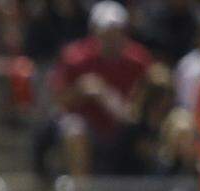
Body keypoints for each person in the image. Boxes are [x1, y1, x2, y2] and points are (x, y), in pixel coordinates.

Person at [50, 1, 152, 176]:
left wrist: (113, 100)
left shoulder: (138, 60)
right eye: (106, 32)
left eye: (116, 31)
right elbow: (59, 98)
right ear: (94, 31)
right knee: (75, 129)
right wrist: (84, 90)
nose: (111, 38)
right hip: (91, 130)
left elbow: (149, 97)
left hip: (125, 130)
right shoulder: (75, 57)